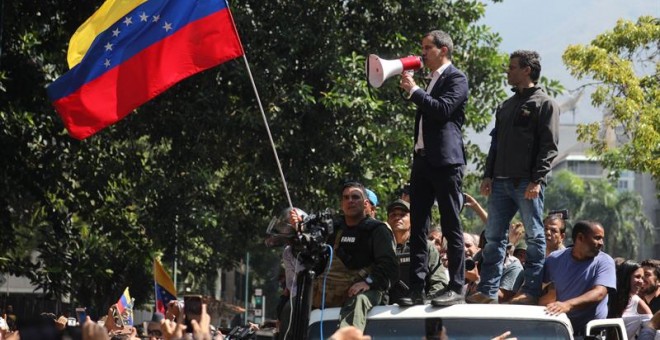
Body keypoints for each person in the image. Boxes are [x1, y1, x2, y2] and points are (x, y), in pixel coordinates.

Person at [471, 50, 560, 305]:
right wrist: (488, 175)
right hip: (500, 182)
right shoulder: (506, 106)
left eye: (512, 68)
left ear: (527, 70)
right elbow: (495, 144)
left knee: (534, 236)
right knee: (493, 238)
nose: (507, 72)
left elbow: (549, 146)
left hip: (527, 183)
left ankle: (530, 291)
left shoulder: (545, 104)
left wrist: (537, 179)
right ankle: (488, 291)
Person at [398, 29, 469, 307]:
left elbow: (442, 110)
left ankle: (457, 285)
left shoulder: (456, 78)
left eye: (428, 48)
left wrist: (414, 90)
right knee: (418, 226)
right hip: (423, 161)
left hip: (446, 162)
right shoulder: (431, 80)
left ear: (443, 50)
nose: (423, 53)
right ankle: (416, 288)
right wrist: (415, 90)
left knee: (451, 223)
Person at [312, 181, 398, 332]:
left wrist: (368, 282)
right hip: (333, 288)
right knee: (293, 305)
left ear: (365, 203)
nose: (350, 201)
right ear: (341, 203)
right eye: (346, 197)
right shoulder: (334, 229)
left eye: (355, 197)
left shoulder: (378, 230)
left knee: (358, 302)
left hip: (367, 289)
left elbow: (389, 266)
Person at [541, 220, 616, 336]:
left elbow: (599, 293)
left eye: (602, 238)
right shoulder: (554, 259)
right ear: (580, 238)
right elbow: (543, 289)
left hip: (590, 335)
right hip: (558, 332)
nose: (601, 243)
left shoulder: (604, 262)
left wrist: (567, 305)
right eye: (597, 238)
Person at [386, 199, 448, 303]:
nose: (397, 218)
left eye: (402, 215)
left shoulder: (425, 247)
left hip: (419, 308)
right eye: (393, 214)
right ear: (388, 220)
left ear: (412, 220)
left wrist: (428, 302)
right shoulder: (382, 247)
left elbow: (439, 281)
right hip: (386, 310)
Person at [608, 260, 653, 339]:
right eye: (637, 277)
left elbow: (652, 329)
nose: (641, 282)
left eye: (642, 278)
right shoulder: (607, 298)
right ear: (625, 277)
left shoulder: (637, 302)